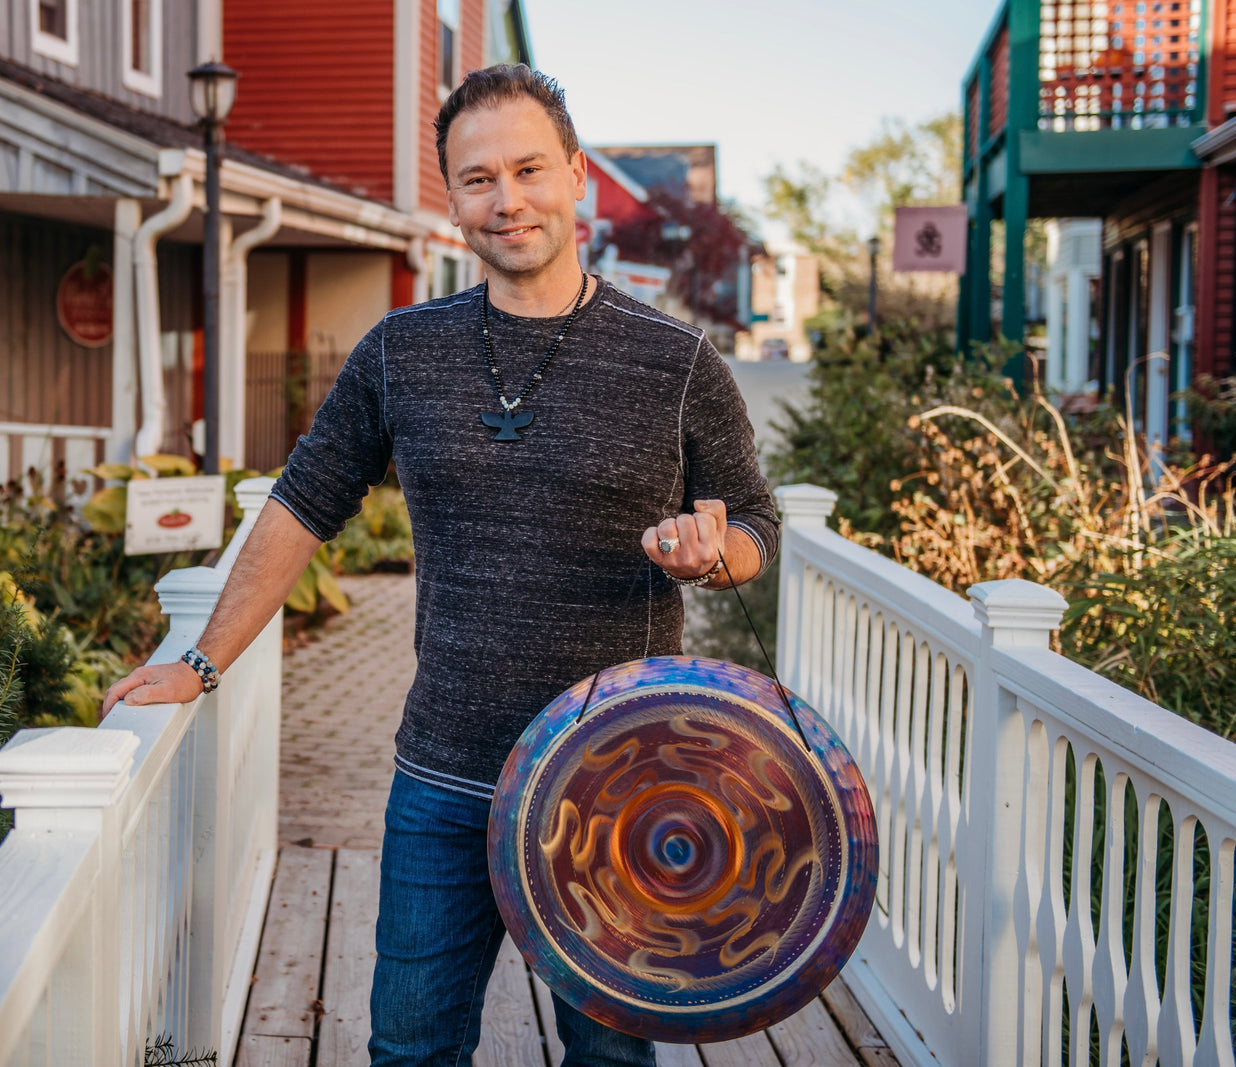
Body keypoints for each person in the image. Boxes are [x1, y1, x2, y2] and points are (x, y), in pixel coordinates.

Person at [103, 64, 779, 1067]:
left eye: (528, 170)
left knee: (609, 1055)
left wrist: (712, 550)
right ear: (451, 196)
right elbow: (301, 504)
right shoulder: (401, 352)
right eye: (476, 178)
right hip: (442, 775)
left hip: (613, 780)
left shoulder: (674, 360)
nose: (506, 200)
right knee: (411, 1046)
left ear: (578, 175)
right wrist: (201, 660)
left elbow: (754, 522)